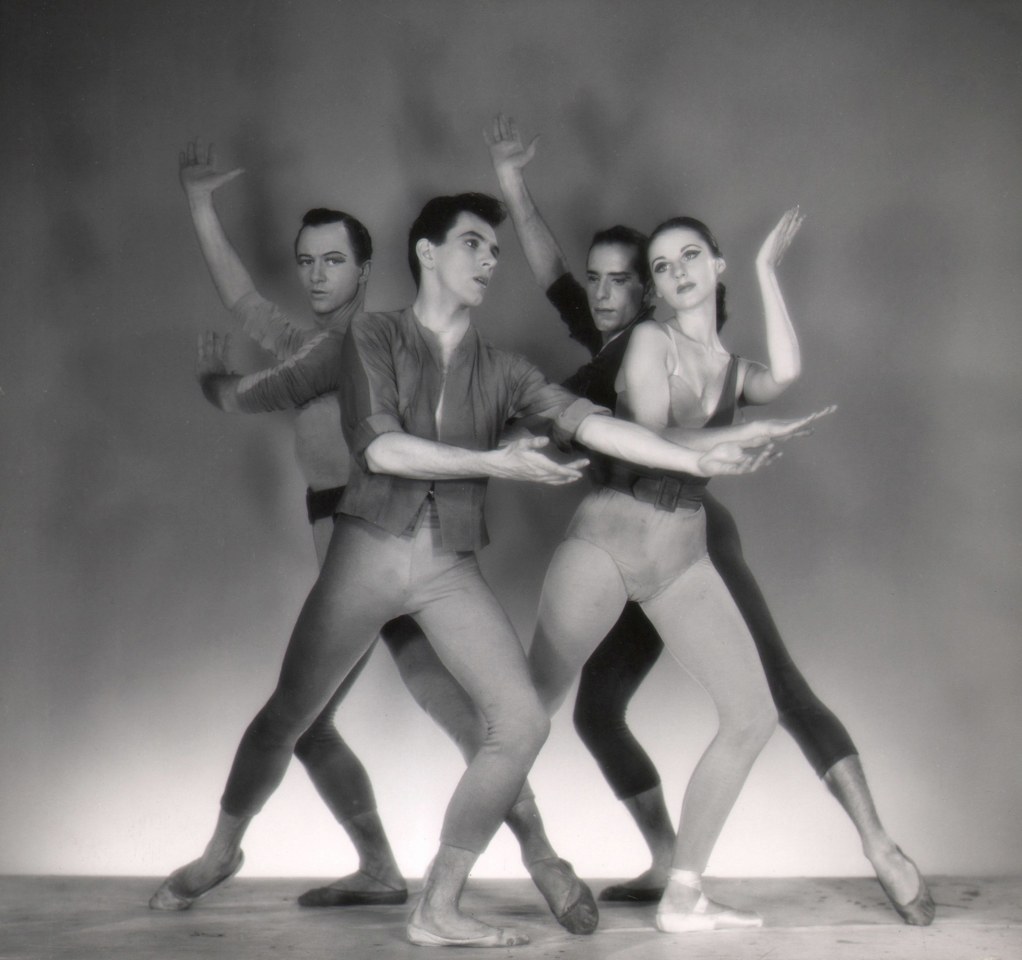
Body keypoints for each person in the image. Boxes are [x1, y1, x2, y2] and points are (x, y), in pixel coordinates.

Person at [152, 188, 804, 948]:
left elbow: (597, 425)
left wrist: (704, 455)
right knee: (290, 716)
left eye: (495, 249)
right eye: (474, 244)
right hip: (364, 554)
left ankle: (442, 903)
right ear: (427, 253)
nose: (491, 259)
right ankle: (221, 849)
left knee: (520, 722)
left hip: (447, 566)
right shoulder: (371, 337)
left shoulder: (504, 370)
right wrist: (494, 462)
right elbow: (381, 449)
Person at [486, 114, 934, 928]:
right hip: (621, 536)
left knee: (770, 690)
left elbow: (749, 387)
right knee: (587, 710)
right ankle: (670, 863)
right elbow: (552, 272)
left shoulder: (652, 344)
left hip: (692, 536)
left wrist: (761, 281)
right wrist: (512, 181)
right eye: (602, 279)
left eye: (625, 278)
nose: (604, 291)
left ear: (657, 289)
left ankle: (879, 844)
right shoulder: (615, 338)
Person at [156, 141, 595, 930]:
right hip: (348, 542)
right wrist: (198, 206)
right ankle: (383, 866)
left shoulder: (360, 345)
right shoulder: (312, 340)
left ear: (365, 271)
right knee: (322, 720)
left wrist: (217, 386)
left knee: (412, 713)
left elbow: (258, 394)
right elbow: (244, 301)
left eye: (334, 261)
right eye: (306, 262)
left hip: (389, 535)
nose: (316, 275)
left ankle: (535, 860)